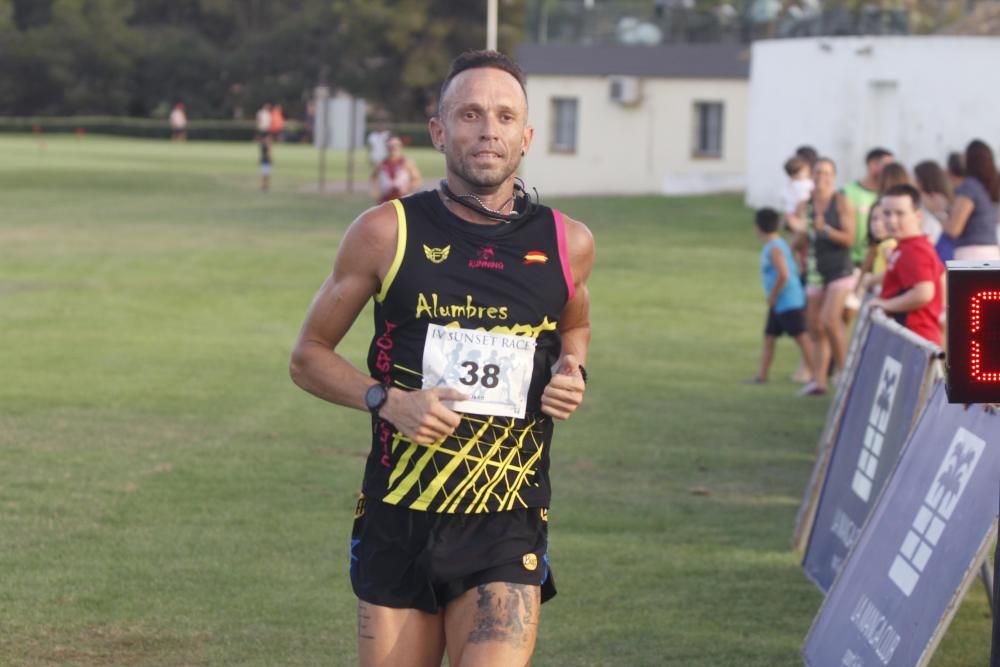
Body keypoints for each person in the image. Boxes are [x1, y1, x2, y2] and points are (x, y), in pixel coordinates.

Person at [289, 50, 594, 666]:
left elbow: (576, 323)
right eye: (471, 114)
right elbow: (308, 356)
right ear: (439, 131)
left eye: (505, 117)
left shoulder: (568, 242)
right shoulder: (385, 232)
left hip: (506, 513)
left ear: (526, 136)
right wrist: (386, 400)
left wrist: (573, 370)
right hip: (401, 510)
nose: (489, 130)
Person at [796, 157, 856, 396]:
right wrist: (790, 236)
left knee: (831, 318)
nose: (822, 177)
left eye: (827, 173)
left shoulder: (840, 202)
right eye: (818, 172)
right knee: (815, 327)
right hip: (815, 270)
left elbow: (849, 238)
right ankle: (819, 381)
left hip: (839, 268)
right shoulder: (806, 205)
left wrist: (826, 230)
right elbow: (803, 237)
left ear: (834, 177)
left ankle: (844, 373)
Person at [870, 184, 945, 345]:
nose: (892, 220)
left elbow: (924, 293)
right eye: (887, 213)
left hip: (915, 339)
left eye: (900, 213)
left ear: (918, 216)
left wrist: (885, 304)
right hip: (911, 337)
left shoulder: (915, 249)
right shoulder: (907, 246)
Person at [748, 208, 813, 385]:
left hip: (787, 301)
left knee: (802, 337)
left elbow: (784, 274)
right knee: (769, 336)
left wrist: (773, 296)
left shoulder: (774, 248)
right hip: (780, 302)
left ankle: (817, 375)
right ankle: (762, 376)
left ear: (758, 227)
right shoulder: (780, 244)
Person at [942, 139, 1000, 261]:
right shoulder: (991, 186)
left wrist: (938, 212)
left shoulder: (970, 186)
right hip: (992, 251)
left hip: (971, 254)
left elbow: (954, 229)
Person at [842, 147, 894, 268]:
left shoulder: (889, 195)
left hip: (880, 259)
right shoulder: (847, 192)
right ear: (872, 165)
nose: (890, 171)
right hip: (852, 262)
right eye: (887, 166)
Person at [370, 135, 423, 203]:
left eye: (396, 145)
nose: (393, 148)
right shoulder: (381, 164)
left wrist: (408, 187)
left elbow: (418, 180)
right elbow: (373, 178)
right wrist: (376, 192)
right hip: (385, 201)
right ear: (387, 147)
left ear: (400, 146)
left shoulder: (407, 163)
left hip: (402, 200)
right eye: (391, 146)